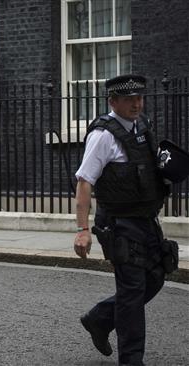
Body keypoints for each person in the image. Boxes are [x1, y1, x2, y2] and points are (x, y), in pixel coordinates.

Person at [73, 74, 176, 366]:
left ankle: (99, 319)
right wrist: (82, 229)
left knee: (155, 278)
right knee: (131, 291)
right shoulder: (103, 135)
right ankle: (132, 360)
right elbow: (83, 182)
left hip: (146, 220)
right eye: (130, 99)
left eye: (140, 98)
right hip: (119, 223)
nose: (136, 103)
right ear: (113, 101)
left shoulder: (142, 127)